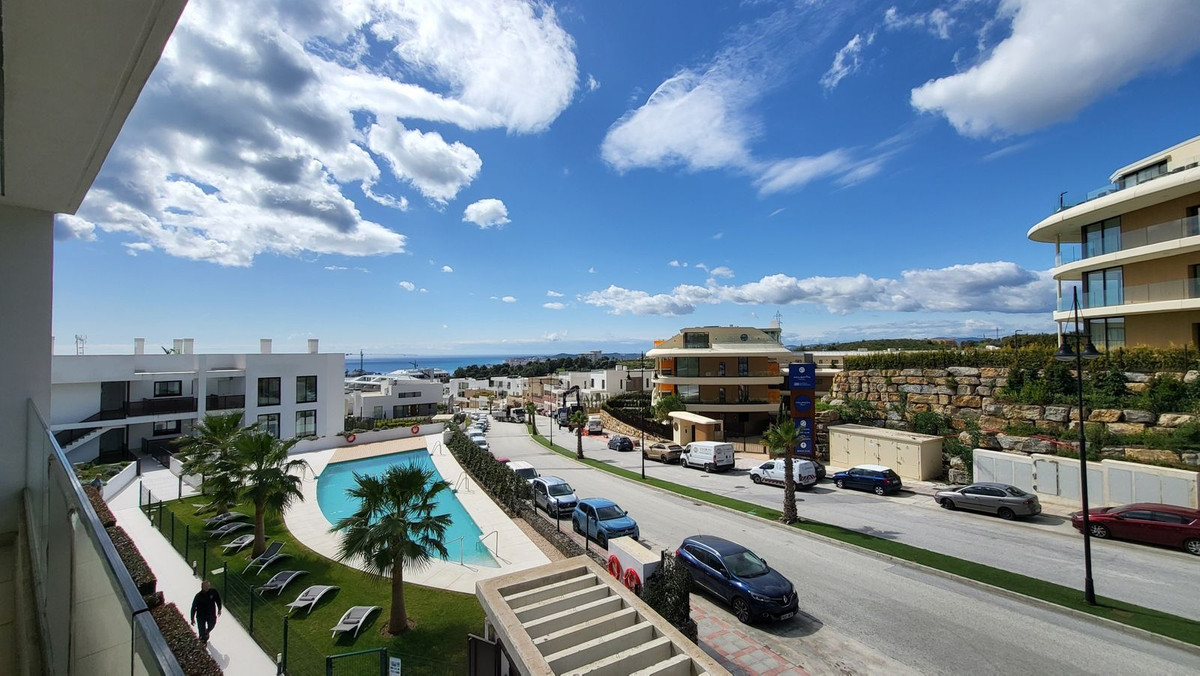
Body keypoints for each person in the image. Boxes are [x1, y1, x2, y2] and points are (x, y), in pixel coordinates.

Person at [189, 580, 222, 645]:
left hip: (211, 614)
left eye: (208, 586)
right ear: (202, 587)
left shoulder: (213, 592)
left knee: (212, 624)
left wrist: (219, 608)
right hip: (201, 615)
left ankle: (207, 632)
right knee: (202, 632)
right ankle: (202, 644)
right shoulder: (198, 596)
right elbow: (193, 608)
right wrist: (192, 618)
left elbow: (218, 600)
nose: (207, 587)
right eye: (205, 586)